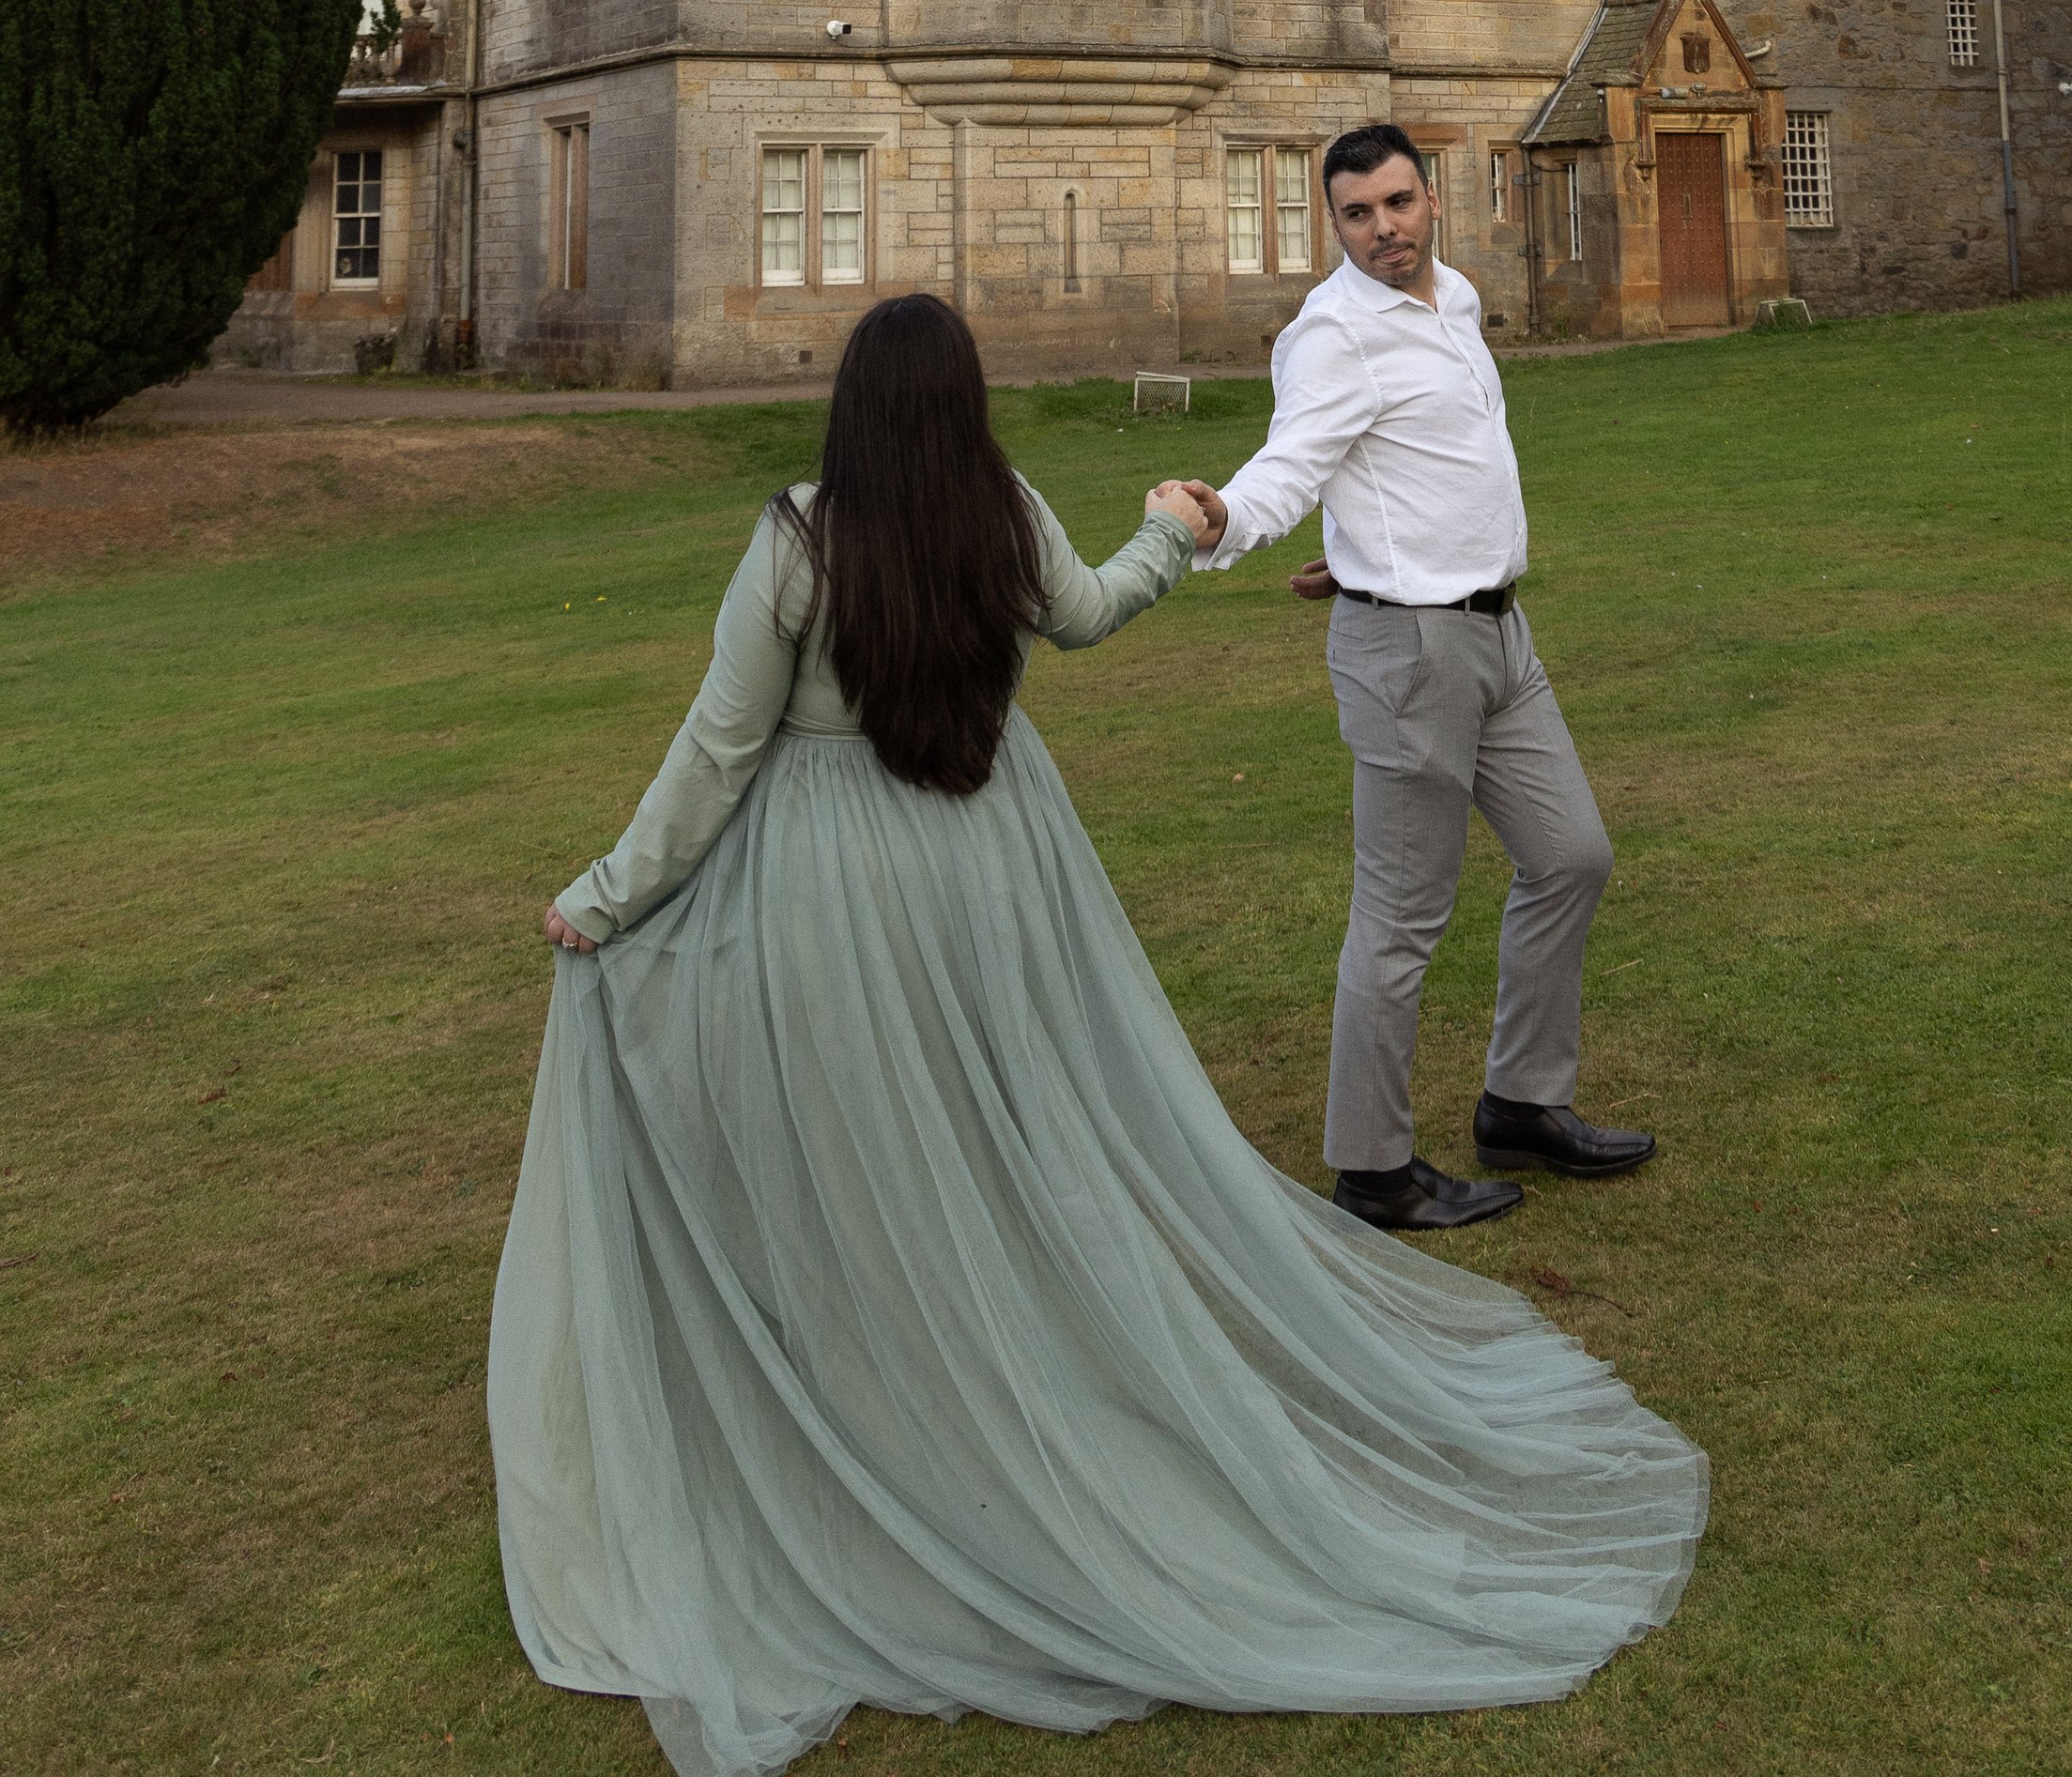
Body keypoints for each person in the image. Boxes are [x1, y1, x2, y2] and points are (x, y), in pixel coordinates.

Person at [490, 290, 1704, 1777]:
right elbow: (1091, 611)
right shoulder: (994, 506)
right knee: (1005, 1117)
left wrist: (607, 897)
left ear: (852, 406)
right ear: (965, 403)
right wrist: (1170, 530)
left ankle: (896, 1398)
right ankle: (977, 1356)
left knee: (869, 1133)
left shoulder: (800, 537)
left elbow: (719, 747)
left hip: (841, 880)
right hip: (994, 860)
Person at [1168, 122, 1655, 1234]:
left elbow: (1415, 465)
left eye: (1396, 202)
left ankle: (1522, 1103)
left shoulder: (1459, 299)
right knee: (1399, 916)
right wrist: (1222, 518)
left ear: (1430, 198)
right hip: (1411, 658)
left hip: (1498, 634)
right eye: (1356, 213)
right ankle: (1373, 1170)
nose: (1381, 228)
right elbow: (1294, 459)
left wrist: (1356, 555)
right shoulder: (1333, 334)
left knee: (1572, 855)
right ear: (1331, 222)